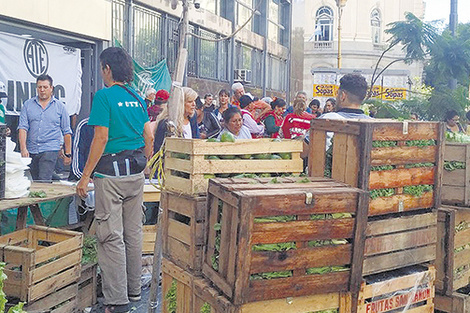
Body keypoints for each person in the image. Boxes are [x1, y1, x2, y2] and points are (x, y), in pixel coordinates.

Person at [76, 47, 154, 313]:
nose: (101, 73)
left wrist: (85, 177)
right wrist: (145, 165)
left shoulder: (104, 96)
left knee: (111, 238)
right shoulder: (137, 97)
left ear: (107, 68)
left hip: (109, 175)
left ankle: (116, 302)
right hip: (135, 175)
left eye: (101, 68)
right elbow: (149, 137)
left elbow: (100, 138)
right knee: (133, 234)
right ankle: (133, 294)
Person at [18, 74, 72, 182]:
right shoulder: (28, 105)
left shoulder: (60, 107)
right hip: (32, 149)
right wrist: (23, 148)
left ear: (51, 88)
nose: (42, 90)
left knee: (44, 180)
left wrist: (68, 153)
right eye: (39, 87)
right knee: (33, 180)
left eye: (45, 87)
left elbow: (66, 131)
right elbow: (23, 128)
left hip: (50, 148)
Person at [153, 87, 199, 152]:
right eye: (190, 101)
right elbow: (159, 148)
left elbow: (196, 140)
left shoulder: (192, 119)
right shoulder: (166, 122)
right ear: (181, 103)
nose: (194, 104)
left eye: (194, 101)